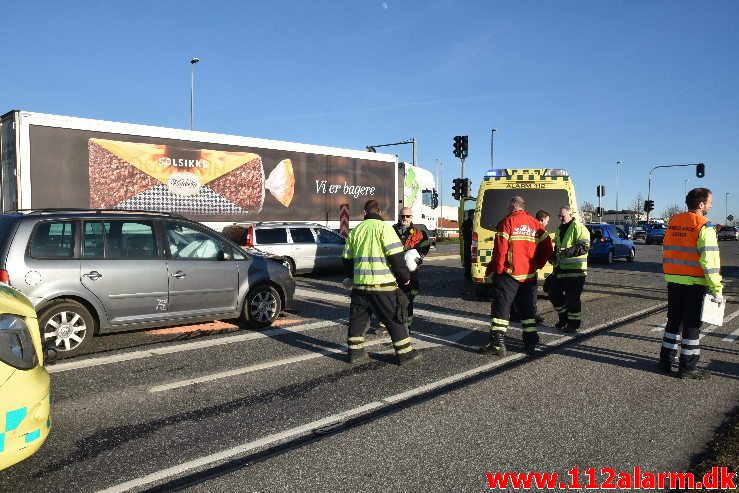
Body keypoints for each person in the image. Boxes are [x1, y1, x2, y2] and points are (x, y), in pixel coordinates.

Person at [342, 200, 419, 366]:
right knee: (394, 320)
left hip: (360, 287)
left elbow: (346, 259)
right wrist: (405, 276)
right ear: (380, 213)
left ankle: (355, 354)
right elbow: (396, 258)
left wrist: (352, 276)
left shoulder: (356, 231)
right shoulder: (385, 229)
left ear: (364, 213)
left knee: (357, 321)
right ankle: (405, 355)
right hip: (383, 286)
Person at [659, 188, 723, 379]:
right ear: (701, 204)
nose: (711, 205)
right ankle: (688, 367)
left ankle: (666, 361)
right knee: (691, 325)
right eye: (710, 202)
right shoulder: (704, 226)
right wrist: (716, 289)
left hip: (674, 280)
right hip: (694, 282)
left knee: (673, 322)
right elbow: (710, 262)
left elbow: (667, 249)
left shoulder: (674, 222)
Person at [479, 196, 553, 356]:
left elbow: (500, 251)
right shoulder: (535, 224)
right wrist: (536, 264)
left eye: (507, 207)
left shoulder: (506, 223)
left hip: (508, 275)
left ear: (512, 207)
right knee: (528, 310)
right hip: (528, 275)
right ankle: (531, 342)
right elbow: (548, 248)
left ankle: (497, 344)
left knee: (501, 309)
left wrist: (497, 270)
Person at [548, 206, 590, 332]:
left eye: (563, 216)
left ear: (570, 214)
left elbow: (584, 247)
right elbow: (557, 247)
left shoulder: (579, 227)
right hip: (560, 270)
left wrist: (567, 252)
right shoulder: (560, 228)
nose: (560, 218)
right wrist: (552, 256)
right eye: (559, 216)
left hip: (575, 271)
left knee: (572, 299)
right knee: (552, 293)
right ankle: (564, 318)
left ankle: (573, 325)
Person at [391, 207, 430, 333]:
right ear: (399, 217)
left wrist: (418, 259)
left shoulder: (419, 233)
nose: (405, 219)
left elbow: (425, 247)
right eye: (403, 216)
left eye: (408, 216)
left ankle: (408, 324)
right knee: (390, 297)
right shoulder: (391, 231)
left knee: (408, 298)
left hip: (409, 272)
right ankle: (389, 324)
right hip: (393, 271)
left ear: (411, 217)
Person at [461, 209, 474, 282]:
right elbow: (469, 234)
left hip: (467, 243)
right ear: (472, 215)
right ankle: (468, 276)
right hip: (469, 243)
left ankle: (467, 275)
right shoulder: (470, 223)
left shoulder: (465, 222)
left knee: (468, 260)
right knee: (469, 260)